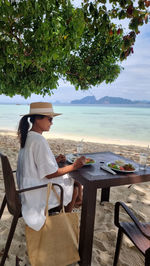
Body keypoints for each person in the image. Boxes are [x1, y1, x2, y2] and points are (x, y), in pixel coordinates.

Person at [16, 102, 85, 231]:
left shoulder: (29, 136)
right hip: (35, 192)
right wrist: (75, 166)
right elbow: (50, 174)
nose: (52, 123)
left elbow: (33, 162)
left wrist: (54, 159)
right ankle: (66, 224)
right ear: (37, 119)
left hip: (27, 187)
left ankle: (78, 201)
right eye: (50, 119)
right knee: (73, 184)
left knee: (72, 181)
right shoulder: (39, 140)